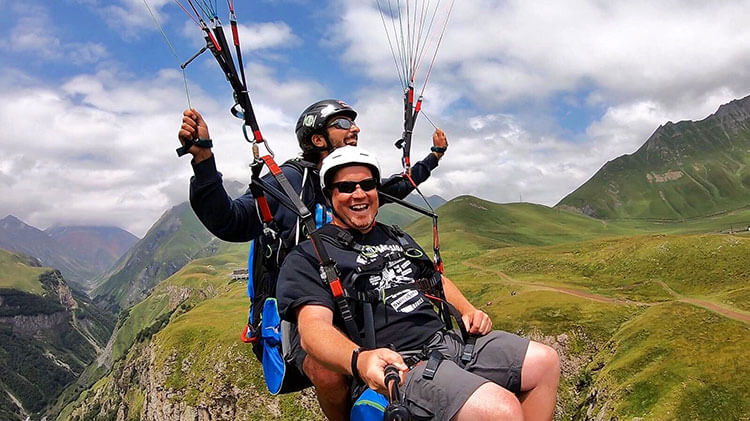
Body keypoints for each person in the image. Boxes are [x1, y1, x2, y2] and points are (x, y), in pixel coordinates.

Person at [178, 99, 448, 420]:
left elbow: (396, 186)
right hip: (302, 305)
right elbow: (231, 220)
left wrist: (433, 157)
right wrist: (204, 161)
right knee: (327, 371)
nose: (355, 129)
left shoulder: (348, 181)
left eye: (354, 123)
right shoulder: (291, 182)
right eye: (344, 124)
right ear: (318, 139)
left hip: (353, 294)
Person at [276, 146, 560, 421]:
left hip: (446, 342)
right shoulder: (309, 256)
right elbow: (313, 330)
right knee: (501, 410)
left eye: (368, 184)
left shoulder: (396, 236)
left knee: (545, 362)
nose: (359, 194)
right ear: (329, 195)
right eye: (347, 187)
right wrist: (360, 360)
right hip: (400, 365)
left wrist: (468, 310)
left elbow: (435, 281)